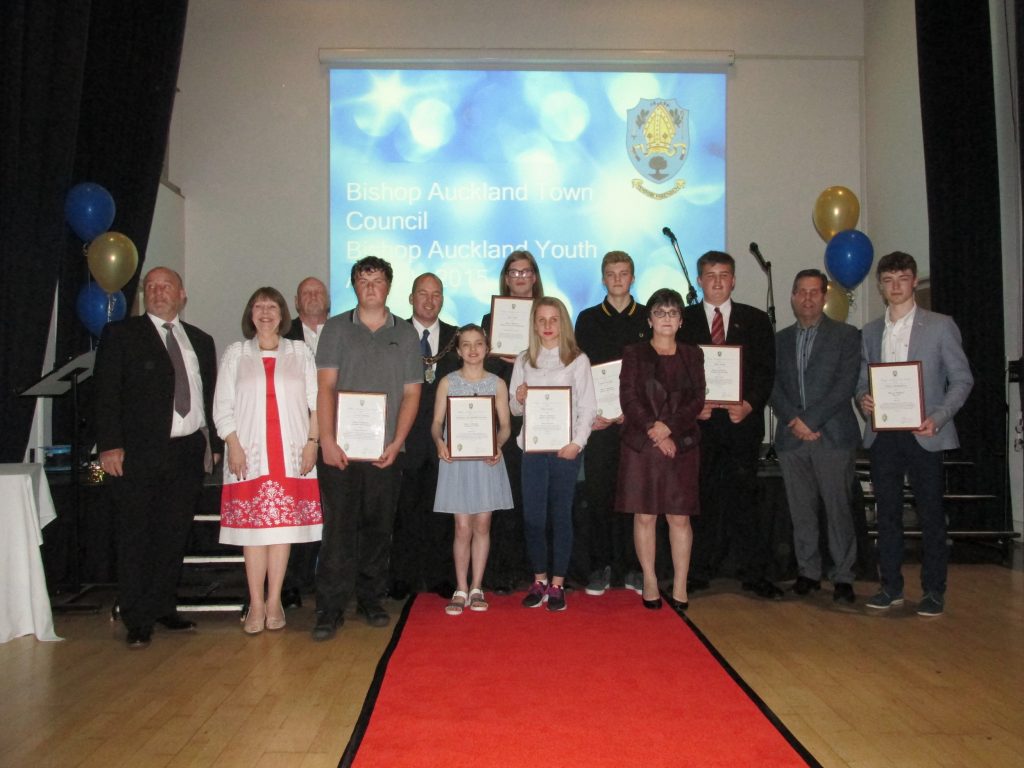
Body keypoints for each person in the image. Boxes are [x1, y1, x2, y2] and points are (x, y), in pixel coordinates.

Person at [94, 267, 223, 649]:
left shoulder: (200, 339)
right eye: (151, 286)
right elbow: (106, 392)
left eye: (166, 286)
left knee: (173, 533)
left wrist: (213, 444)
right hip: (138, 452)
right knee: (136, 535)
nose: (157, 292)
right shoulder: (121, 334)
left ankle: (164, 606)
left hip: (186, 452)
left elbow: (209, 394)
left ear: (182, 294)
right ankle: (137, 616)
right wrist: (109, 444)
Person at [857, 252, 973, 617]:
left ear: (913, 281)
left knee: (930, 515)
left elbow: (962, 380)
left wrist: (938, 417)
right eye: (888, 280)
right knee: (887, 514)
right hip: (885, 436)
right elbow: (862, 381)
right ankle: (890, 586)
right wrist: (864, 400)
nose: (895, 286)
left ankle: (934, 591)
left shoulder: (940, 325)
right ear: (879, 285)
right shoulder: (870, 331)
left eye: (902, 279)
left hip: (926, 432)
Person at [312, 256, 422, 640]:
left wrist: (397, 442)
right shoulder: (336, 329)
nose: (370, 287)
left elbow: (412, 394)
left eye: (377, 280)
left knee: (379, 529)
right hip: (340, 450)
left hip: (386, 452)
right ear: (354, 286)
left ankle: (372, 599)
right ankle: (329, 607)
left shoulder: (406, 333)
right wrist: (326, 439)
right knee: (338, 531)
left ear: (389, 286)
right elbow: (325, 387)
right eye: (363, 280)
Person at [214, 287, 322, 634]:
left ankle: (275, 600)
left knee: (282, 532)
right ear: (250, 314)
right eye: (258, 307)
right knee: (253, 533)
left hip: (292, 455)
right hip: (249, 456)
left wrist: (312, 443)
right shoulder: (236, 354)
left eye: (271, 306)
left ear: (282, 314)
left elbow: (316, 403)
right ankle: (256, 604)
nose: (265, 313)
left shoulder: (300, 351)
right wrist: (232, 443)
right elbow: (222, 405)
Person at [678, 251, 782, 599]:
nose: (718, 282)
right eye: (710, 275)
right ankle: (699, 570)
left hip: (741, 425)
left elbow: (766, 370)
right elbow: (675, 373)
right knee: (701, 499)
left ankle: (753, 572)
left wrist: (750, 404)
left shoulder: (754, 320)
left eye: (724, 275)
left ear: (734, 279)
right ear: (699, 280)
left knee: (745, 500)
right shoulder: (684, 321)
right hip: (700, 427)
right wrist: (693, 407)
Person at [770, 269, 861, 605]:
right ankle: (808, 572)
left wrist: (810, 420)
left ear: (824, 298)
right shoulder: (778, 340)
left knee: (838, 509)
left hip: (832, 436)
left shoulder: (847, 335)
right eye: (801, 292)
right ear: (793, 297)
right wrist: (794, 420)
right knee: (801, 511)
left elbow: (845, 385)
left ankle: (843, 575)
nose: (807, 298)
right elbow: (772, 385)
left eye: (814, 292)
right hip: (792, 439)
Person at [616, 288, 705, 613]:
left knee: (679, 518)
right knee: (645, 516)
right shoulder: (634, 353)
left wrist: (668, 428)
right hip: (642, 445)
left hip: (681, 445)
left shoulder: (693, 354)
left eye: (672, 313)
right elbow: (629, 398)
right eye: (660, 312)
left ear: (681, 321)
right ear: (650, 319)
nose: (666, 318)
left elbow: (697, 399)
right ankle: (650, 580)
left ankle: (680, 584)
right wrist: (655, 430)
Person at [510, 297, 598, 612]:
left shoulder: (578, 360)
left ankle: (558, 583)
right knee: (533, 518)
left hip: (565, 450)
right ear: (534, 324)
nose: (548, 326)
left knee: (561, 516)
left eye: (554, 319)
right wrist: (519, 398)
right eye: (542, 320)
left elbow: (588, 407)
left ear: (563, 323)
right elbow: (514, 408)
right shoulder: (523, 361)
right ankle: (539, 579)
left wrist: (577, 443)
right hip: (532, 450)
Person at [573, 251, 649, 596]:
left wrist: (633, 411)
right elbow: (580, 374)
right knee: (599, 496)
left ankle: (633, 567)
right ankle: (601, 566)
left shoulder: (648, 317)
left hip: (637, 424)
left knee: (634, 498)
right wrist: (592, 414)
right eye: (611, 274)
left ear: (633, 277)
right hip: (601, 424)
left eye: (624, 273)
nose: (617, 279)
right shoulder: (587, 319)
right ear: (603, 278)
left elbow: (652, 374)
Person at [430, 324, 514, 614]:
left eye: (478, 343)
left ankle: (477, 586)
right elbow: (436, 423)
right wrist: (439, 442)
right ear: (457, 350)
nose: (473, 349)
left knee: (482, 525)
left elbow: (505, 427)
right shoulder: (448, 382)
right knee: (462, 527)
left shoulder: (497, 384)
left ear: (487, 348)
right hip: (457, 461)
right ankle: (460, 587)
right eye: (466, 344)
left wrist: (498, 445)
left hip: (486, 461)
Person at [390, 273, 460, 599]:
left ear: (442, 299)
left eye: (436, 294)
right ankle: (403, 577)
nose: (429, 300)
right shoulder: (394, 335)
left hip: (447, 439)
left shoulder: (457, 339)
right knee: (405, 512)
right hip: (405, 439)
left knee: (443, 512)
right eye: (422, 293)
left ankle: (440, 576)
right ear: (410, 298)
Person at [479, 250, 544, 594]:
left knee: (529, 498)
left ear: (535, 277)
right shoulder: (491, 320)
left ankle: (532, 567)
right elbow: (480, 370)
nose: (520, 278)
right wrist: (499, 360)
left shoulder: (549, 316)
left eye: (526, 272)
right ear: (506, 278)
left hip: (540, 420)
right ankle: (500, 570)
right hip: (502, 420)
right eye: (513, 272)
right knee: (503, 497)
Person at [281, 276, 330, 605]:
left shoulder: (345, 333)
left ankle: (333, 581)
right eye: (306, 293)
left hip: (343, 437)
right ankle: (294, 584)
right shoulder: (281, 339)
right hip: (295, 439)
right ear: (296, 303)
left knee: (336, 513)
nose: (312, 297)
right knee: (298, 511)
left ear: (328, 301)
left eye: (318, 292)